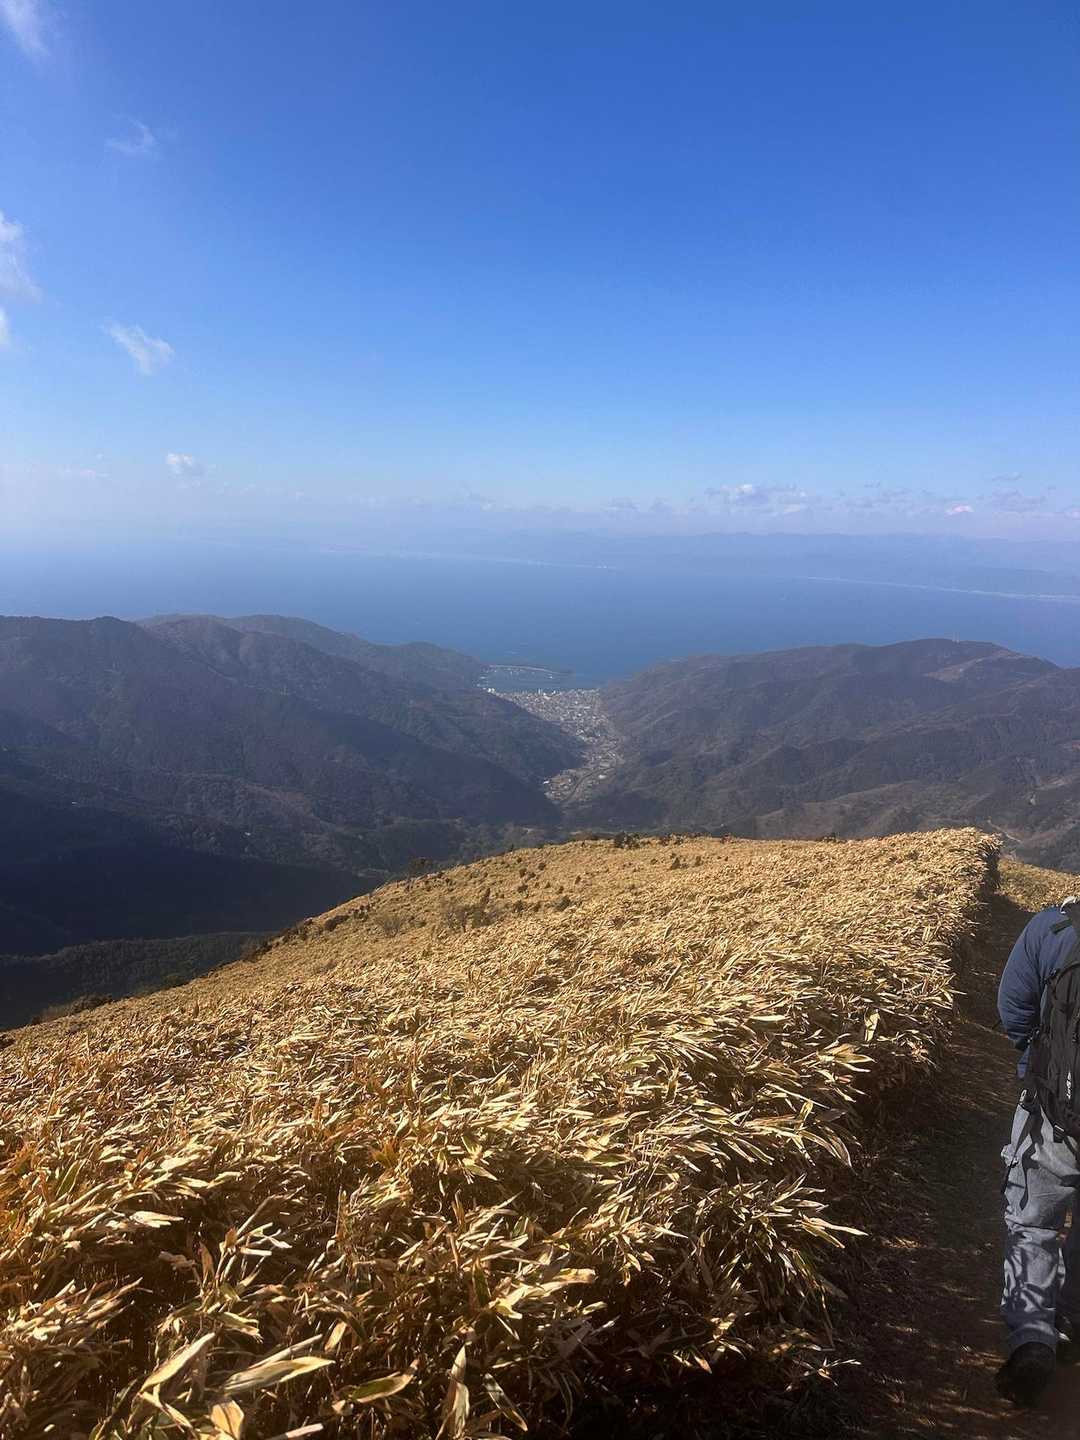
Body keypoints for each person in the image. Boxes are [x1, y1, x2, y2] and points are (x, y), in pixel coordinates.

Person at [996, 897, 1080, 1407]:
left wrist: (1037, 1062)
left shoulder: (1053, 928)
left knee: (1033, 1220)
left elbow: (1013, 1008)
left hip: (1056, 1110)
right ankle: (1070, 1319)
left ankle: (1032, 1336)